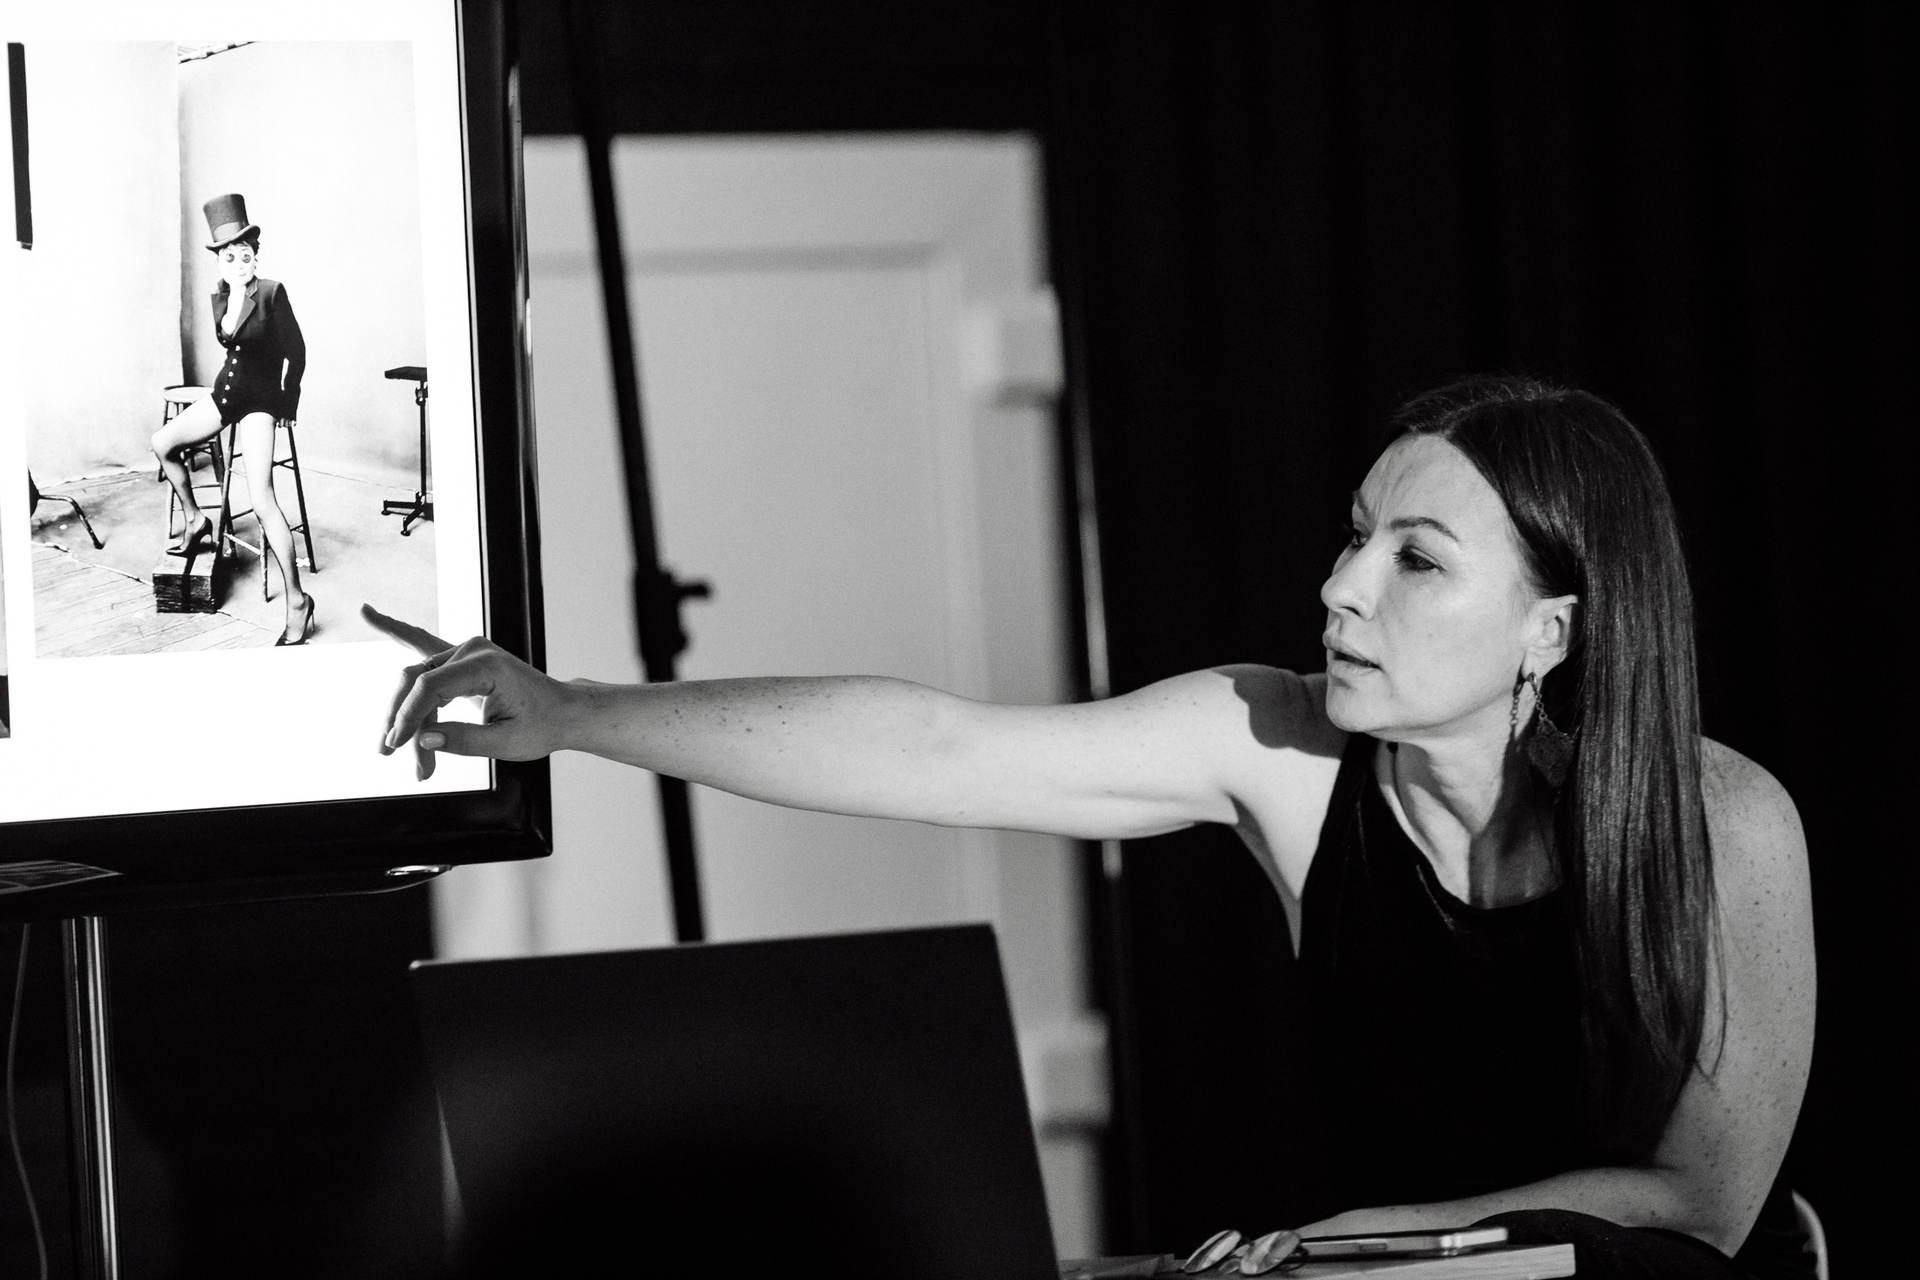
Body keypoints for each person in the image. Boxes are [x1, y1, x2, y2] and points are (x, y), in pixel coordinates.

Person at [370, 375, 1816, 1279]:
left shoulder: (1725, 821)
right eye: (1355, 531)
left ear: (1549, 630)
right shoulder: (1283, 747)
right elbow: (934, 744)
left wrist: (1345, 1246)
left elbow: (1700, 1203)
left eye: (1416, 560)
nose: (1343, 585)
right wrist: (574, 712)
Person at [152, 193, 314, 646]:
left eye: (245, 255)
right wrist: (235, 294)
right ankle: (195, 519)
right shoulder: (221, 295)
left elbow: (297, 352)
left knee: (262, 499)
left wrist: (288, 404)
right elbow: (228, 340)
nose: (239, 263)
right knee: (162, 443)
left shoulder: (273, 292)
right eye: (229, 257)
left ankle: (297, 601)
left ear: (255, 257)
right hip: (225, 394)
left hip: (261, 401)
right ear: (219, 262)